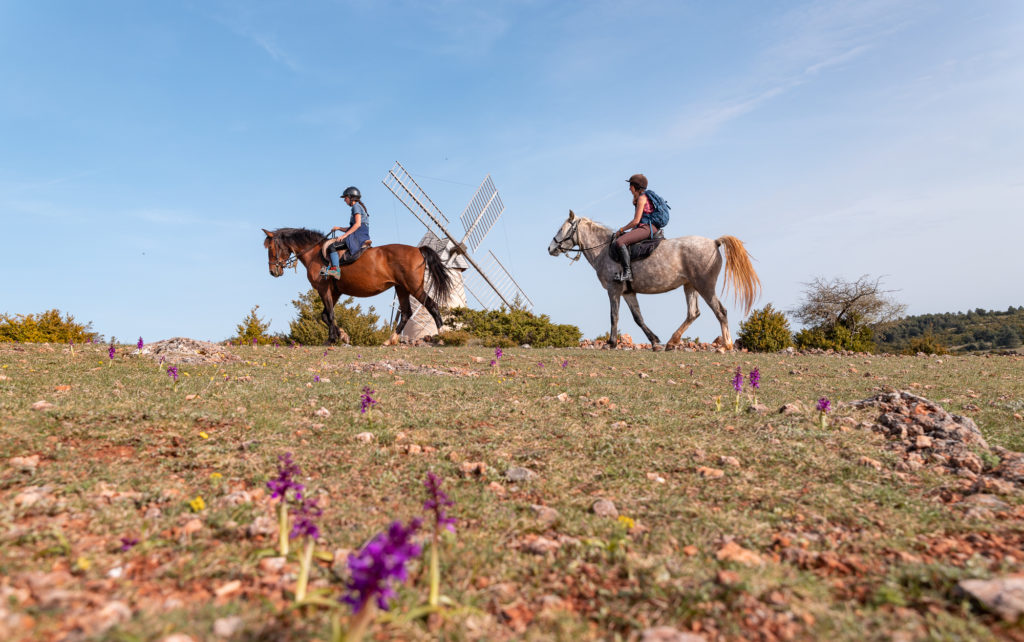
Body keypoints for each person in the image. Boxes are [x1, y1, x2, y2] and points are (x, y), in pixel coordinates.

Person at [613, 173, 658, 282]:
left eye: (631, 185)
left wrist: (621, 230)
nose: (629, 188)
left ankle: (627, 273)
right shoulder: (642, 197)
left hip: (647, 228)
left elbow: (636, 221)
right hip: (646, 227)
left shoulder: (642, 199)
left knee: (620, 242)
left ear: (635, 186)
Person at [324, 186, 371, 279]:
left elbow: (357, 225)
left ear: (351, 197)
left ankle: (335, 270)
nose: (344, 200)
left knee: (332, 247)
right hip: (360, 233)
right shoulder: (358, 206)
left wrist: (344, 235)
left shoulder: (356, 207)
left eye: (345, 198)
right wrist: (339, 228)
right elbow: (352, 227)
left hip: (358, 235)